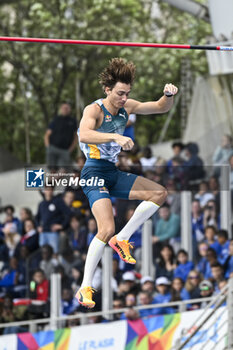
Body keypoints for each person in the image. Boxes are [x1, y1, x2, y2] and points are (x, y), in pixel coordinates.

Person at [75, 58, 178, 308]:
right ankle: (85, 287)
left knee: (159, 193)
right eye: (120, 93)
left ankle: (124, 238)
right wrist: (115, 137)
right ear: (107, 89)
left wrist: (168, 95)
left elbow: (159, 107)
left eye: (127, 93)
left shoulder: (127, 106)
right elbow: (84, 134)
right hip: (93, 173)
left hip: (113, 172)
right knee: (105, 228)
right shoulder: (95, 110)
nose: (124, 98)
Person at [44, 102, 78, 171]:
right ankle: (51, 181)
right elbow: (47, 134)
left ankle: (50, 181)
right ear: (61, 109)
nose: (65, 109)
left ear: (70, 109)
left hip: (65, 150)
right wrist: (48, 147)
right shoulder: (55, 119)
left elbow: (76, 137)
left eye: (67, 108)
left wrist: (70, 149)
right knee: (52, 169)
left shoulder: (73, 121)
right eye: (63, 108)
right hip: (53, 148)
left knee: (63, 170)